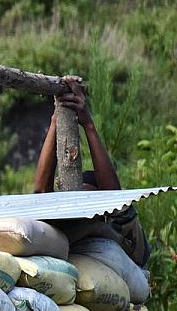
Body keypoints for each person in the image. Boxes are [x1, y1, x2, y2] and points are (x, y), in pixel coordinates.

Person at [32, 74, 149, 265]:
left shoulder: (120, 225)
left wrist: (88, 124)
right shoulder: (63, 223)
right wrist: (56, 119)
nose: (81, 201)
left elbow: (113, 197)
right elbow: (40, 194)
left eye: (89, 197)